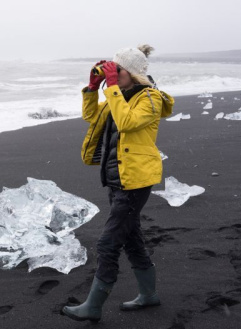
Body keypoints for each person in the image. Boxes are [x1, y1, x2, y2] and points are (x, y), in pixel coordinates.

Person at [62, 45, 175, 323]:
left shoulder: (150, 98)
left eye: (118, 70)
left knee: (108, 243)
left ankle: (93, 305)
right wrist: (92, 87)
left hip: (135, 182)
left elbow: (126, 123)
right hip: (117, 179)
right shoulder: (120, 96)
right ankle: (149, 296)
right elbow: (92, 117)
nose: (115, 74)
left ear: (132, 73)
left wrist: (110, 86)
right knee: (132, 240)